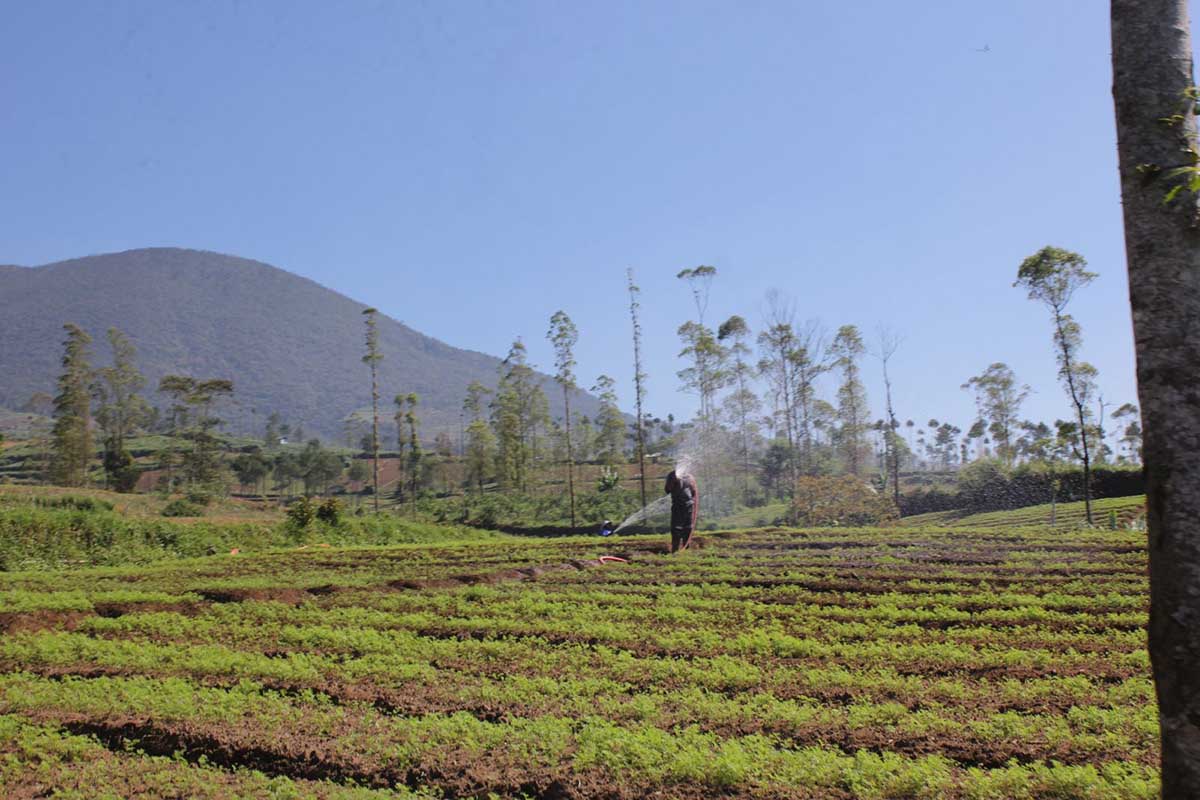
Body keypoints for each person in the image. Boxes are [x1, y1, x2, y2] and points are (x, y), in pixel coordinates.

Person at [664, 469, 699, 553]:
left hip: (678, 505)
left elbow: (667, 490)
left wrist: (673, 482)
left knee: (676, 527)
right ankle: (686, 549)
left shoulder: (672, 475)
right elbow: (693, 492)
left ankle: (675, 550)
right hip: (689, 505)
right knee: (688, 526)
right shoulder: (690, 477)